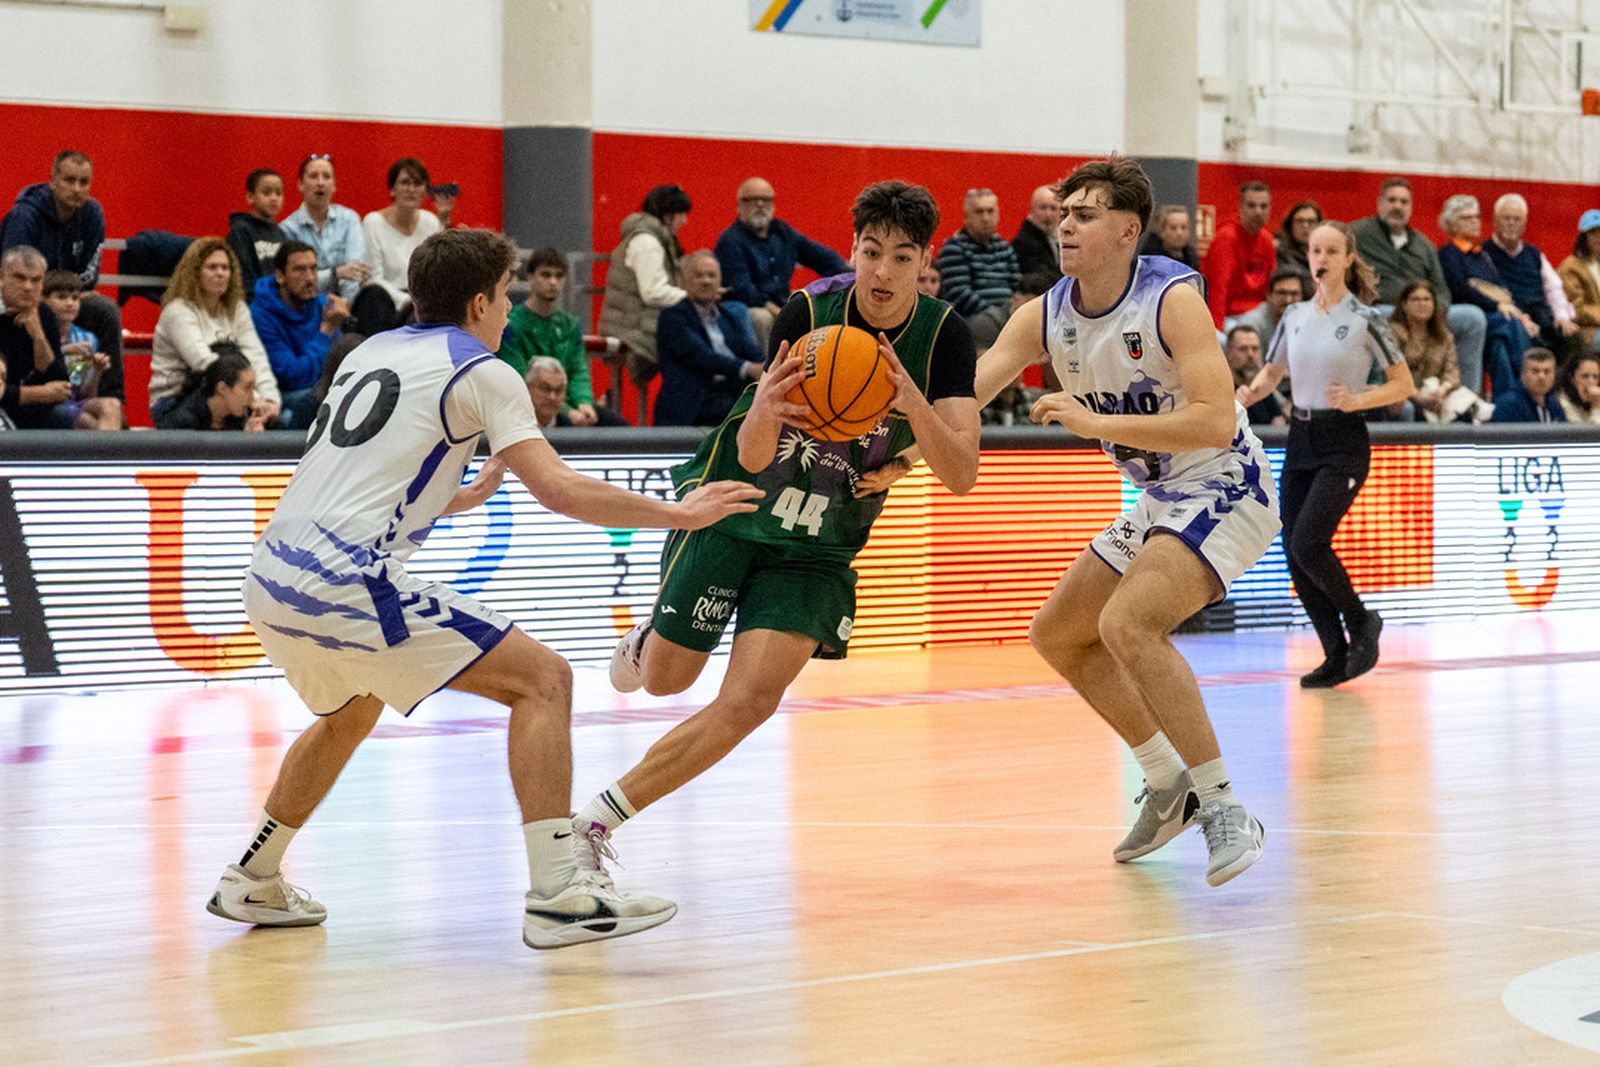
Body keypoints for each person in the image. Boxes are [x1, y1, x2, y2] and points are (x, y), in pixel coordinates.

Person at [206, 227, 763, 950]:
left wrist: (453, 499)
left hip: (270, 573)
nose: (508, 310)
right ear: (477, 303)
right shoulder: (483, 370)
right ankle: (560, 892)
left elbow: (354, 471)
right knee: (545, 680)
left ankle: (254, 873)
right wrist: (679, 512)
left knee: (349, 711)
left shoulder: (372, 349)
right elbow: (559, 489)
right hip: (347, 577)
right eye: (503, 296)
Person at [590, 181, 979, 901]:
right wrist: (768, 405)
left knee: (749, 702)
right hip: (739, 507)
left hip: (821, 541)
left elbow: (961, 472)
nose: (882, 272)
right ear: (853, 248)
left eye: (902, 257)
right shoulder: (807, 312)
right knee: (668, 681)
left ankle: (594, 824)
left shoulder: (944, 337)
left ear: (926, 261)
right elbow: (751, 447)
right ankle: (648, 639)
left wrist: (910, 407)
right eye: (871, 252)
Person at [964, 156, 1277, 887]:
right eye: (1063, 214)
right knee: (1059, 633)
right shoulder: (1044, 314)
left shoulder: (1171, 299)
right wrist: (891, 449)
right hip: (1161, 495)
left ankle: (1224, 806)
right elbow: (964, 397)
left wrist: (1094, 420)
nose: (1065, 226)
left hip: (1226, 478)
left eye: (1085, 215)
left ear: (1128, 231)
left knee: (1128, 623)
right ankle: (1168, 785)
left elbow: (1212, 420)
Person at [1237, 221, 1414, 688]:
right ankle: (1334, 653)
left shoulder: (1366, 318)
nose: (1322, 258)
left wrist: (1358, 399)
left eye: (1332, 251)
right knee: (1295, 553)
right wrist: (1250, 394)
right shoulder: (1294, 315)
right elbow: (1273, 371)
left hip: (1343, 440)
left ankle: (1361, 621)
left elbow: (1403, 384)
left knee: (1310, 541)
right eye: (1316, 250)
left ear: (1348, 258)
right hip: (1301, 436)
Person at [0, 150, 124, 415]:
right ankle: (44, 398)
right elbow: (14, 275)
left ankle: (111, 399)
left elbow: (90, 276)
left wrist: (65, 294)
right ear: (52, 181)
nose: (77, 189)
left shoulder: (92, 214)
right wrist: (47, 294)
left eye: (84, 182)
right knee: (43, 306)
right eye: (69, 180)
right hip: (27, 300)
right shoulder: (24, 217)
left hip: (63, 294)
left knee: (105, 310)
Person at [1351, 176, 1486, 396]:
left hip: (1426, 311)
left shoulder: (1424, 245)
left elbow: (1441, 289)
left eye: (1404, 201)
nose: (1397, 206)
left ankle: (1466, 398)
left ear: (1411, 207)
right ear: (1380, 203)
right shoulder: (1357, 234)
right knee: (1377, 317)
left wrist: (1432, 314)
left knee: (1473, 318)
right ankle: (1384, 395)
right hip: (1384, 309)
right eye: (1392, 200)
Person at [150, 237, 281, 425]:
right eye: (212, 267)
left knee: (274, 419)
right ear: (195, 272)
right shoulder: (177, 311)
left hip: (229, 395)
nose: (220, 273)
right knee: (229, 397)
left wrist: (269, 400)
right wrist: (253, 398)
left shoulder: (237, 309)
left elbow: (256, 356)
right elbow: (205, 364)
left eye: (225, 268)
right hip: (173, 401)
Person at [715, 177, 849, 352]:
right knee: (762, 318)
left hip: (782, 299)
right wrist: (777, 310)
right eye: (753, 199)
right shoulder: (730, 240)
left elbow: (822, 257)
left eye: (766, 199)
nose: (760, 204)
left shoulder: (783, 232)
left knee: (819, 307)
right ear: (739, 205)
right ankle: (767, 366)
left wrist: (850, 275)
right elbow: (742, 287)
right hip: (750, 306)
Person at [498, 247, 618, 426]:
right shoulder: (511, 325)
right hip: (530, 407)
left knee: (618, 427)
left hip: (569, 404)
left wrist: (584, 402)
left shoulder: (570, 325)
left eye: (559, 276)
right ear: (530, 277)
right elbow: (519, 380)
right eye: (545, 275)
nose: (553, 282)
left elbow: (579, 371)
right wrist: (567, 411)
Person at [280, 154, 393, 335]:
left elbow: (354, 272)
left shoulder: (349, 219)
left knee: (375, 294)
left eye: (326, 177)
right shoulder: (287, 229)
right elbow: (297, 281)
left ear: (334, 185)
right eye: (313, 176)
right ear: (300, 184)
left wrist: (345, 305)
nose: (320, 183)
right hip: (308, 304)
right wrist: (336, 273)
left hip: (348, 304)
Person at [1437, 194, 1537, 399]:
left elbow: (1502, 290)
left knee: (1500, 344)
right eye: (1466, 218)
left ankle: (1506, 401)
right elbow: (1461, 290)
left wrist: (1520, 315)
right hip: (1469, 316)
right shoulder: (1449, 253)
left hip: (1492, 321)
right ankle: (1524, 391)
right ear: (1451, 224)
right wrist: (1496, 306)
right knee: (1509, 324)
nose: (1474, 221)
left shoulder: (1481, 255)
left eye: (1476, 216)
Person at [653, 250, 764, 426]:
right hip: (694, 403)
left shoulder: (729, 317)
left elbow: (751, 351)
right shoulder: (672, 317)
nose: (706, 281)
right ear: (684, 281)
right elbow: (702, 356)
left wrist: (769, 368)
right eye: (699, 275)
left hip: (731, 394)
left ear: (720, 282)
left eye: (711, 276)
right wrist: (747, 368)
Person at [250, 240, 352, 428]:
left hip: (319, 387)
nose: (310, 278)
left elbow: (339, 364)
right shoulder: (261, 315)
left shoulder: (322, 305)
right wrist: (326, 331)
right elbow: (293, 377)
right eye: (299, 270)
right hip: (284, 395)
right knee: (315, 400)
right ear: (280, 276)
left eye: (313, 269)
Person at [598, 184, 692, 385]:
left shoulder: (652, 239)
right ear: (668, 215)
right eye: (682, 214)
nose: (685, 221)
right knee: (693, 349)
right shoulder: (647, 243)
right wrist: (692, 298)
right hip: (632, 329)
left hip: (638, 324)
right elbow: (652, 292)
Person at [1485, 193, 1581, 360]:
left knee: (1572, 336)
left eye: (1517, 219)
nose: (1511, 224)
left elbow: (1553, 288)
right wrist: (1521, 318)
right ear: (1495, 221)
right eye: (1506, 218)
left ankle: (1564, 379)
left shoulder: (1534, 254)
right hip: (1511, 317)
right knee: (1521, 334)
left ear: (1524, 224)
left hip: (1541, 315)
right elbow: (1487, 294)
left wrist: (1562, 318)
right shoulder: (1483, 254)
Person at [1386, 280, 1488, 423]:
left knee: (1466, 411)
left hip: (1437, 394)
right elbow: (1392, 375)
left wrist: (1442, 390)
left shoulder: (1444, 336)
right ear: (1404, 304)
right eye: (1415, 299)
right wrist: (1419, 397)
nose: (1422, 304)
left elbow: (1451, 371)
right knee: (1410, 409)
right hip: (1406, 394)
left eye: (1427, 299)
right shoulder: (1392, 333)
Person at [0, 246, 73, 429]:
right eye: (19, 278)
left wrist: (38, 335)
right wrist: (42, 393)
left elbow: (61, 384)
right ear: (1, 276)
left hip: (23, 406)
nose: (28, 287)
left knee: (62, 415)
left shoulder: (44, 314)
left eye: (35, 280)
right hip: (5, 405)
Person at [361, 157, 443, 320]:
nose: (411, 189)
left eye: (417, 184)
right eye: (405, 183)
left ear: (425, 191)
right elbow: (373, 279)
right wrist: (407, 301)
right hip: (386, 303)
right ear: (392, 189)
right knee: (375, 295)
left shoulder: (431, 222)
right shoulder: (373, 222)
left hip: (422, 303)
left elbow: (437, 272)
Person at [41, 269, 119, 430]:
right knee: (87, 420)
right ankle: (110, 446)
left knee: (112, 404)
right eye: (61, 297)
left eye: (75, 298)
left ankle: (110, 446)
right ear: (43, 301)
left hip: (73, 403)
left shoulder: (86, 339)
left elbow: (84, 394)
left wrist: (97, 370)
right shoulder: (37, 335)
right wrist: (63, 351)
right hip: (44, 404)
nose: (70, 303)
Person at [934, 187, 1022, 324]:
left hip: (1007, 316)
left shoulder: (1004, 247)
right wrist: (996, 315)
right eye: (979, 212)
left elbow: (1018, 286)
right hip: (973, 320)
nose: (986, 218)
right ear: (966, 217)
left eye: (990, 211)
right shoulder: (954, 247)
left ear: (998, 214)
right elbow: (959, 294)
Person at [1202, 181, 1275, 329]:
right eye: (1251, 205)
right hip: (1232, 317)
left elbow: (1272, 285)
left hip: (1261, 312)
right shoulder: (1226, 238)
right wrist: (1216, 329)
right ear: (1240, 207)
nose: (1258, 212)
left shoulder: (1267, 239)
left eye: (1263, 206)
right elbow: (1217, 288)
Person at [154, 349, 268, 432]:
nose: (252, 398)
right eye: (247, 388)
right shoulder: (184, 423)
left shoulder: (245, 415)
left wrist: (249, 439)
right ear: (222, 388)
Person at [227, 169, 287, 301]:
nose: (274, 198)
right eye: (266, 192)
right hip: (254, 305)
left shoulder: (281, 234)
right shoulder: (241, 231)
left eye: (278, 193)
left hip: (279, 305)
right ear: (250, 197)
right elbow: (243, 279)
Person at [1223, 325, 1285, 425]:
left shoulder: (1263, 389)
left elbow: (1278, 421)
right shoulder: (1220, 391)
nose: (1250, 355)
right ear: (1228, 353)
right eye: (1243, 349)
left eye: (1255, 349)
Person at [1556, 209, 1600, 350]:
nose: (1598, 238)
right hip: (1586, 331)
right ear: (1583, 238)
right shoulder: (1571, 267)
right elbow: (1576, 309)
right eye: (1593, 233)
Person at [1234, 265, 1310, 343]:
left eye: (1294, 294)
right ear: (1269, 295)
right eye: (1282, 293)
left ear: (1302, 297)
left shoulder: (1309, 320)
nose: (1288, 300)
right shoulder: (1252, 324)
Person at [1489, 347, 1566, 423]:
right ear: (1523, 374)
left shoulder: (1553, 402)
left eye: (1547, 372)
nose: (1541, 377)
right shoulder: (1509, 406)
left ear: (1554, 376)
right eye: (1535, 371)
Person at [1011, 184, 1063, 280]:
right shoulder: (1023, 243)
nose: (1048, 214)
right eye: (1043, 208)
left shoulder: (1060, 240)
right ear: (1031, 210)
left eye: (1053, 208)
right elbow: (1042, 279)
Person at [1135, 204, 1199, 269]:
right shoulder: (1150, 260)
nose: (1179, 233)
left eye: (1183, 227)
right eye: (1173, 228)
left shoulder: (1191, 258)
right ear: (1161, 231)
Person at [1274, 200, 1322, 274]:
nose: (1305, 226)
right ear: (1291, 225)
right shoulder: (1280, 252)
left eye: (1311, 221)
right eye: (1300, 221)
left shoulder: (1325, 253)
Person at [525, 356, 572, 430]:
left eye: (558, 390)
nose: (552, 397)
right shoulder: (514, 426)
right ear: (528, 389)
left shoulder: (570, 428)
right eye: (545, 389)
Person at [1555, 351, 1600, 424]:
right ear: (1572, 379)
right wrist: (1596, 408)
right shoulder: (1562, 404)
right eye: (1585, 376)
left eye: (1595, 377)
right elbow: (1590, 431)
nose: (1591, 382)